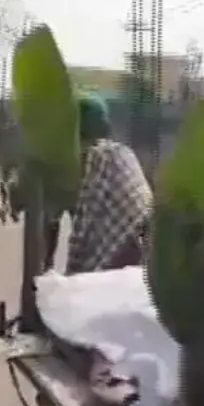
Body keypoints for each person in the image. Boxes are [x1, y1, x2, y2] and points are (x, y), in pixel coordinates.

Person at [65, 94, 153, 274]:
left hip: (128, 251)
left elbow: (83, 231)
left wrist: (71, 277)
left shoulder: (96, 159)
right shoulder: (122, 152)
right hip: (148, 251)